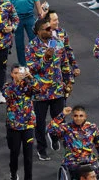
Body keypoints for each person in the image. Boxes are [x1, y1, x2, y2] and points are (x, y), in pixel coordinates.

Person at [27, 17, 71, 161]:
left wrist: (69, 82)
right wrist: (45, 58)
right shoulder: (31, 47)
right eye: (47, 29)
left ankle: (54, 135)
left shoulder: (57, 42)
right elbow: (31, 69)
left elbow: (65, 63)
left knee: (59, 120)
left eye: (50, 28)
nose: (50, 30)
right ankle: (42, 149)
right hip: (40, 92)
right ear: (38, 31)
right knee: (39, 123)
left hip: (57, 89)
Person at [1, 64, 37, 180]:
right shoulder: (7, 86)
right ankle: (13, 174)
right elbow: (8, 94)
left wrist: (30, 77)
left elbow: (39, 90)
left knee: (28, 156)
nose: (18, 75)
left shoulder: (28, 85)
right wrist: (17, 83)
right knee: (14, 153)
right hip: (13, 125)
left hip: (28, 125)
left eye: (20, 73)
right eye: (15, 73)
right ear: (11, 74)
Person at [48, 104, 99, 180]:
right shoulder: (66, 128)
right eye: (75, 116)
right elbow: (50, 130)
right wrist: (62, 114)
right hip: (72, 161)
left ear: (85, 116)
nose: (78, 118)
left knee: (95, 175)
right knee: (81, 176)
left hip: (89, 160)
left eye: (81, 116)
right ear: (72, 116)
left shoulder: (92, 128)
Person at [5, 0, 42, 65]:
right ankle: (22, 65)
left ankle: (36, 63)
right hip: (17, 19)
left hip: (29, 17)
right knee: (19, 43)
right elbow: (7, 4)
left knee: (34, 40)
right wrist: (8, 21)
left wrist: (40, 13)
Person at [47, 9, 80, 87]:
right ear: (48, 22)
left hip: (64, 69)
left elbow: (68, 50)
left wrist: (75, 66)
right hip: (51, 71)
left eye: (57, 19)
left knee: (67, 90)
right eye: (55, 20)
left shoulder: (62, 32)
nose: (57, 22)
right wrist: (41, 15)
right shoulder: (44, 35)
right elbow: (35, 28)